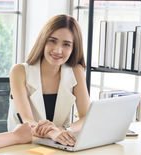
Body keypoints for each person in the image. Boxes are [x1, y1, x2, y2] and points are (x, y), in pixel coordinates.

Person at [7, 14, 90, 146]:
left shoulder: (76, 71)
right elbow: (28, 121)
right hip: (23, 145)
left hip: (58, 145)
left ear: (73, 48)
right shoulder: (19, 71)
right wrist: (53, 133)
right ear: (43, 41)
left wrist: (64, 131)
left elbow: (87, 118)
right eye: (52, 41)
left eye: (66, 44)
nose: (58, 50)